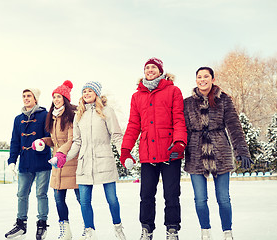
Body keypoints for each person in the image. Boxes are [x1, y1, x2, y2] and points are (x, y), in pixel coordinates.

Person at [119, 57, 187, 240]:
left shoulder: (173, 91)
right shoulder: (137, 96)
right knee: (146, 194)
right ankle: (146, 229)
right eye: (147, 67)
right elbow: (133, 124)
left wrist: (180, 142)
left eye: (153, 67)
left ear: (160, 71)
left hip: (169, 151)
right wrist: (125, 150)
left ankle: (172, 230)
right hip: (147, 153)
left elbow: (179, 119)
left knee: (172, 194)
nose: (150, 70)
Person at [183, 67, 253, 240]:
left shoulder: (224, 100)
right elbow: (182, 129)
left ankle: (227, 232)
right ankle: (205, 232)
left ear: (213, 79)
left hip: (220, 150)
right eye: (199, 77)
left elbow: (234, 126)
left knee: (223, 198)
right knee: (200, 199)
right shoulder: (187, 103)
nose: (202, 79)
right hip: (195, 152)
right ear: (196, 80)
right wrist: (176, 149)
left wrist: (242, 150)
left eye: (206, 76)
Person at [61, 81, 127, 240]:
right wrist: (66, 157)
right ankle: (90, 231)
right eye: (84, 91)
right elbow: (77, 141)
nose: (86, 94)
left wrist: (125, 154)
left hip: (104, 160)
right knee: (84, 201)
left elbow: (117, 136)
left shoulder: (107, 111)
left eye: (90, 91)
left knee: (112, 199)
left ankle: (118, 227)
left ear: (96, 93)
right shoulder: (79, 115)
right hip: (84, 162)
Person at [32, 80, 82, 240]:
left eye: (59, 96)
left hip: (71, 162)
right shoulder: (53, 117)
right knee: (59, 199)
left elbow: (71, 139)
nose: (55, 99)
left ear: (65, 99)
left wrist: (60, 153)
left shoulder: (72, 116)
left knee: (82, 200)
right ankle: (65, 230)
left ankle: (88, 228)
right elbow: (55, 141)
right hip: (57, 164)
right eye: (54, 97)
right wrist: (43, 141)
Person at [5, 88, 52, 240]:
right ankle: (21, 225)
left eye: (29, 96)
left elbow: (50, 137)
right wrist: (12, 161)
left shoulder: (45, 115)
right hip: (25, 163)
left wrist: (42, 143)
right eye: (24, 96)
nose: (26, 98)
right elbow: (15, 141)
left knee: (41, 194)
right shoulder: (18, 119)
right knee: (21, 194)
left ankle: (42, 224)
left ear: (35, 99)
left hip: (42, 162)